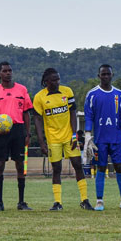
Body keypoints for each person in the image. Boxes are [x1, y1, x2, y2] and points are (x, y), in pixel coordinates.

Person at [33, 68, 90, 211]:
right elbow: (38, 120)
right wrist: (41, 142)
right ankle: (57, 202)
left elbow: (72, 112)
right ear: (46, 82)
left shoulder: (67, 91)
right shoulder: (39, 97)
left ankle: (85, 200)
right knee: (56, 169)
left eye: (58, 79)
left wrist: (74, 135)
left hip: (69, 137)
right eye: (54, 80)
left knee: (78, 165)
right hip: (53, 139)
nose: (57, 82)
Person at [0, 61, 33, 211]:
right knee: (0, 165)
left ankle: (21, 202)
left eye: (10, 70)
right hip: (1, 132)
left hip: (18, 130)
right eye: (5, 71)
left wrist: (28, 133)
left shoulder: (22, 90)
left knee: (20, 165)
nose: (8, 73)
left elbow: (26, 113)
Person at [83, 65, 121, 211]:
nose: (105, 76)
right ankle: (99, 201)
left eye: (108, 74)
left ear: (112, 74)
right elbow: (89, 116)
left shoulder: (119, 93)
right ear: (99, 75)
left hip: (116, 138)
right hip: (100, 139)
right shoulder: (92, 94)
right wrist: (88, 137)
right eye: (103, 74)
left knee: (119, 168)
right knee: (101, 168)